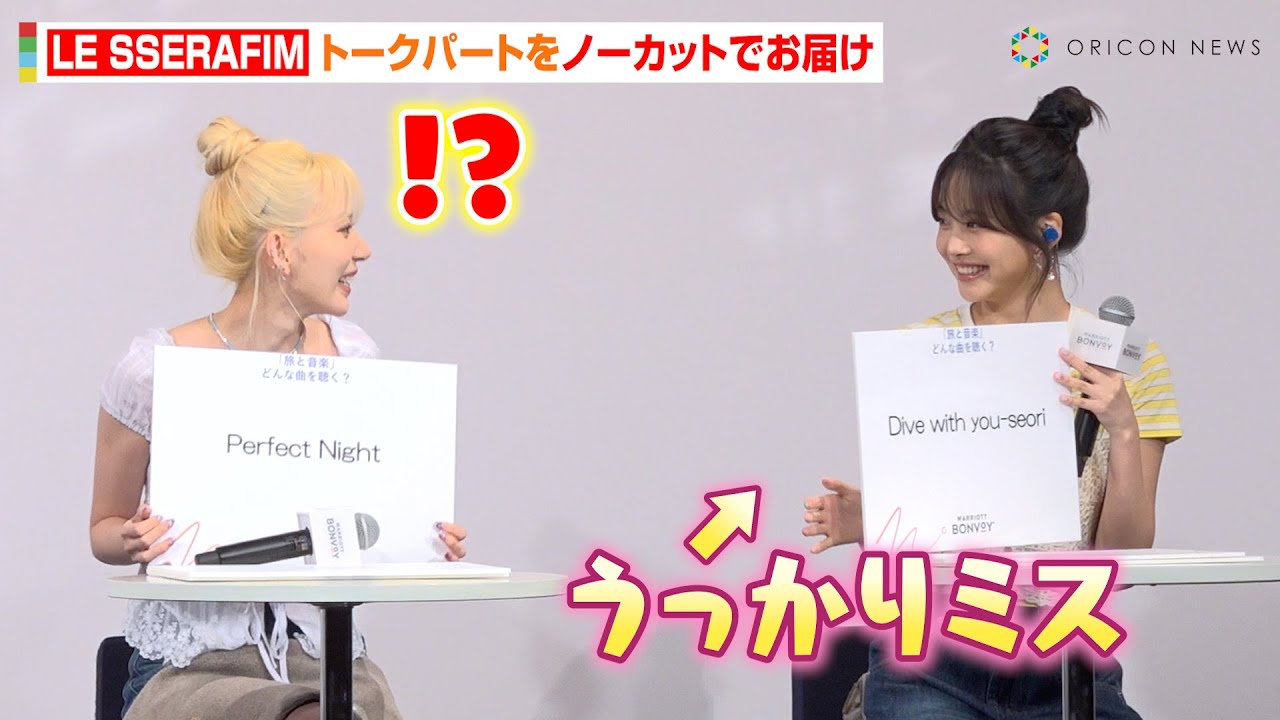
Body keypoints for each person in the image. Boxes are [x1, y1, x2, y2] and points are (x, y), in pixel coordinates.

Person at [801, 86, 1182, 719]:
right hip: (933, 660)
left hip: (1069, 659)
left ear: (1047, 230)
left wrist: (1119, 425)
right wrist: (876, 520)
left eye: (976, 224)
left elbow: (1126, 552)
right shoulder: (921, 349)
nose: (953, 245)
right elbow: (947, 526)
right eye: (944, 222)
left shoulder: (1126, 359)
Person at [89, 116, 470, 720]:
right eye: (344, 229)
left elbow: (363, 521)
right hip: (194, 668)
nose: (363, 249)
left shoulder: (354, 359)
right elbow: (104, 530)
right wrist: (132, 537)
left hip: (326, 658)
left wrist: (420, 537)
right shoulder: (155, 368)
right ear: (280, 249)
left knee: (338, 711)